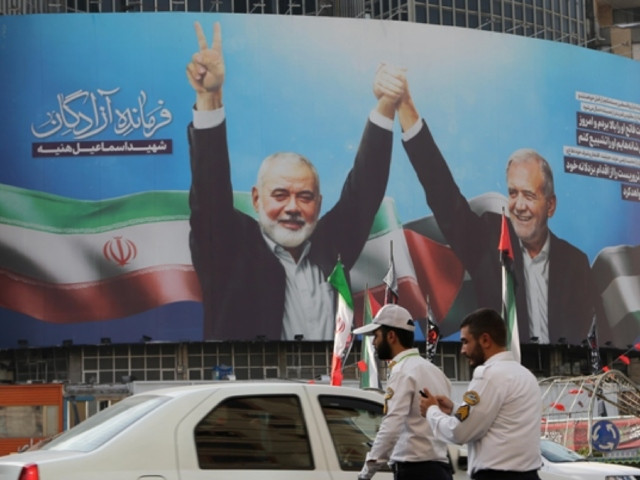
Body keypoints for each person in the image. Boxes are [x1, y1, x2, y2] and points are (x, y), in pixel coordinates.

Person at [185, 22, 406, 340]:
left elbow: (364, 191)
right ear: (257, 199)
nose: (292, 207)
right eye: (279, 194)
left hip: (325, 385)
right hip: (258, 387)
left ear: (318, 204)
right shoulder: (229, 246)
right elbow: (210, 191)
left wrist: (386, 105)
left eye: (304, 196)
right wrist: (210, 97)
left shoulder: (331, 247)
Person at [392, 79, 604, 346]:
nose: (518, 205)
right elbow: (444, 197)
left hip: (560, 378)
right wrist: (408, 114)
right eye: (513, 193)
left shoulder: (575, 264)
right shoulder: (490, 242)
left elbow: (589, 337)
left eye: (529, 195)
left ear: (550, 205)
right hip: (500, 374)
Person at [420, 308, 542, 480]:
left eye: (465, 342)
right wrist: (455, 409)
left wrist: (432, 411)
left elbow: (458, 432)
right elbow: (496, 419)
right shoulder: (525, 375)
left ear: (485, 340)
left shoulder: (488, 375)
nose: (462, 350)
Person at [353, 304, 453, 480]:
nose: (374, 343)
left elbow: (391, 425)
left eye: (376, 336)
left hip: (415, 471)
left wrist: (365, 473)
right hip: (441, 469)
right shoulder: (436, 372)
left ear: (391, 336)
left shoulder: (402, 371)